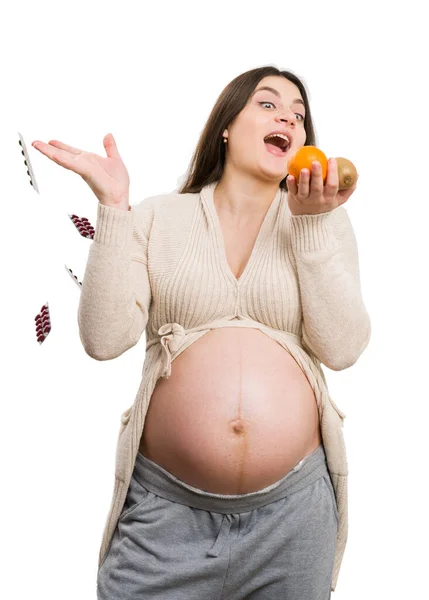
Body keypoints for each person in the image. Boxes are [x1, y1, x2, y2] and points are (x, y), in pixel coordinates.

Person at [32, 64, 371, 599]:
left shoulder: (322, 220)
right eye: (267, 103)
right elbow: (104, 339)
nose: (288, 115)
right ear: (227, 127)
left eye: (300, 114)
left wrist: (308, 224)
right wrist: (114, 208)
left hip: (293, 519)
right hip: (164, 517)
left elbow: (343, 347)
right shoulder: (156, 219)